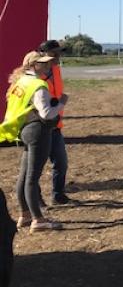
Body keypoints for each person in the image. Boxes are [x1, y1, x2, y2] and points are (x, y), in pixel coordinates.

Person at [2, 52, 67, 231]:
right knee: (32, 178)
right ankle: (39, 220)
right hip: (38, 131)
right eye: (43, 64)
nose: (48, 67)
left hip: (24, 130)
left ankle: (25, 215)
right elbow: (46, 113)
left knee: (24, 176)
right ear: (33, 65)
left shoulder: (20, 82)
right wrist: (61, 103)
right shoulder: (38, 84)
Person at [38, 39, 73, 204]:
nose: (58, 56)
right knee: (35, 167)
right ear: (43, 54)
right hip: (40, 126)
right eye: (55, 53)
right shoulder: (37, 73)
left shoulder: (56, 69)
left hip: (55, 123)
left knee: (61, 162)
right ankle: (35, 200)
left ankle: (58, 195)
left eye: (59, 52)